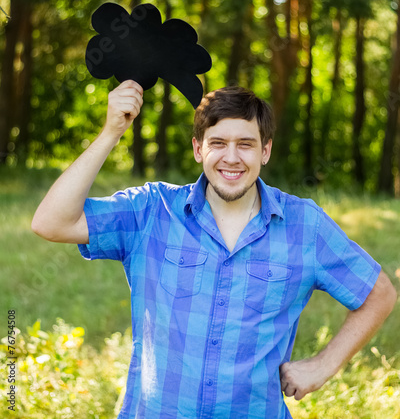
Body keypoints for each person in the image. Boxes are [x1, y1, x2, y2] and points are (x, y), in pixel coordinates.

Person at [32, 80, 397, 419]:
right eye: (218, 143)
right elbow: (51, 222)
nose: (232, 158)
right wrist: (112, 131)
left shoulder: (305, 226)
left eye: (246, 144)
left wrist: (324, 365)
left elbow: (378, 293)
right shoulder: (151, 211)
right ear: (198, 148)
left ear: (265, 150)